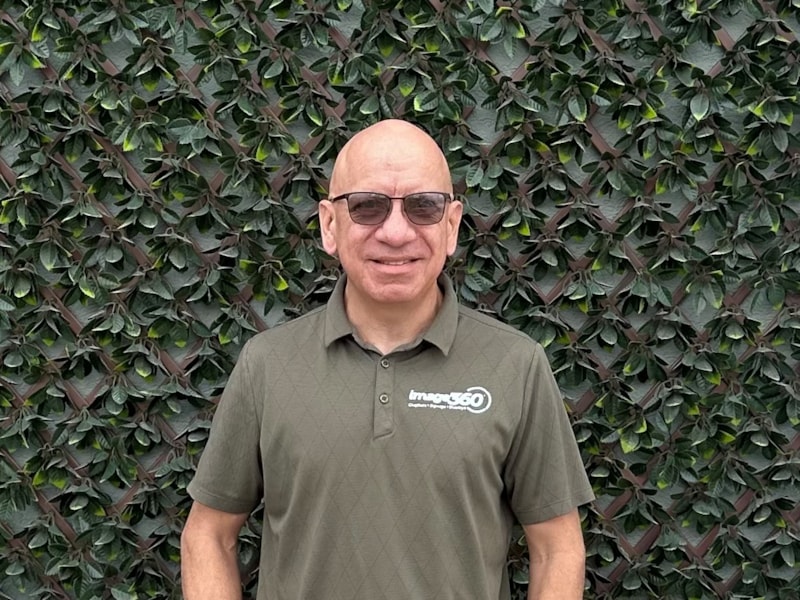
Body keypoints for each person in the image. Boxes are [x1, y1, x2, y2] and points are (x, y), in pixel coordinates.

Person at [180, 119, 595, 600]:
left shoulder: (515, 366)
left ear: (452, 225)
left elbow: (557, 549)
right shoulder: (268, 365)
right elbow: (208, 535)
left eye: (423, 206)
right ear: (329, 225)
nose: (396, 232)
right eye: (367, 206)